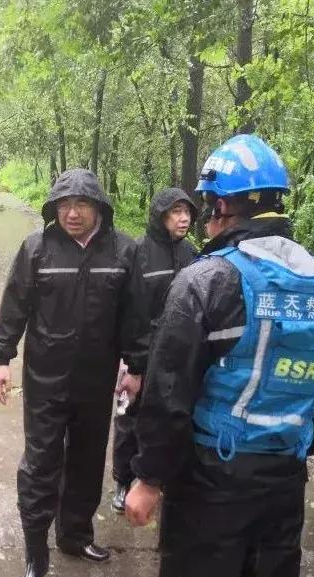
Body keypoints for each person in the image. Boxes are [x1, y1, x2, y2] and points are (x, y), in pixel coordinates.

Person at [124, 134, 314, 577]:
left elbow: (169, 392)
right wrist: (298, 444)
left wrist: (149, 478)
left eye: (207, 207)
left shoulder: (208, 278)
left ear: (224, 206)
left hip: (212, 479)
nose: (203, 220)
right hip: (283, 475)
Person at [0, 168, 146, 577]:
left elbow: (134, 315)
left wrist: (136, 366)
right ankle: (35, 557)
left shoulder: (123, 251)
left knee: (86, 459)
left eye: (81, 205)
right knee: (40, 465)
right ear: (54, 208)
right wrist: (1, 359)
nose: (72, 214)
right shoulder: (36, 249)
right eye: (64, 206)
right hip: (45, 380)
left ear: (99, 208)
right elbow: (14, 304)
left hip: (96, 380)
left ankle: (75, 535)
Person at [110, 188, 198, 513]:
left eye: (187, 212)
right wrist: (131, 362)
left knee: (169, 418)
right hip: (140, 355)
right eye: (176, 211)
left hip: (178, 358)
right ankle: (123, 480)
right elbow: (129, 310)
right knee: (128, 419)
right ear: (161, 216)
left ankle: (161, 479)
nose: (184, 218)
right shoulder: (138, 253)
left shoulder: (193, 255)